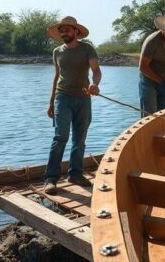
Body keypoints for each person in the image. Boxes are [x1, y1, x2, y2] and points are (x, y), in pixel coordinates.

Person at [43, 16, 101, 195]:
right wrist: (51, 101)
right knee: (61, 137)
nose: (63, 34)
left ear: (76, 31)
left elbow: (96, 71)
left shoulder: (87, 49)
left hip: (83, 99)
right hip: (63, 98)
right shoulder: (57, 52)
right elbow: (56, 76)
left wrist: (95, 85)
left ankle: (75, 174)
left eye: (67, 30)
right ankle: (51, 179)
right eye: (61, 31)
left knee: (80, 139)